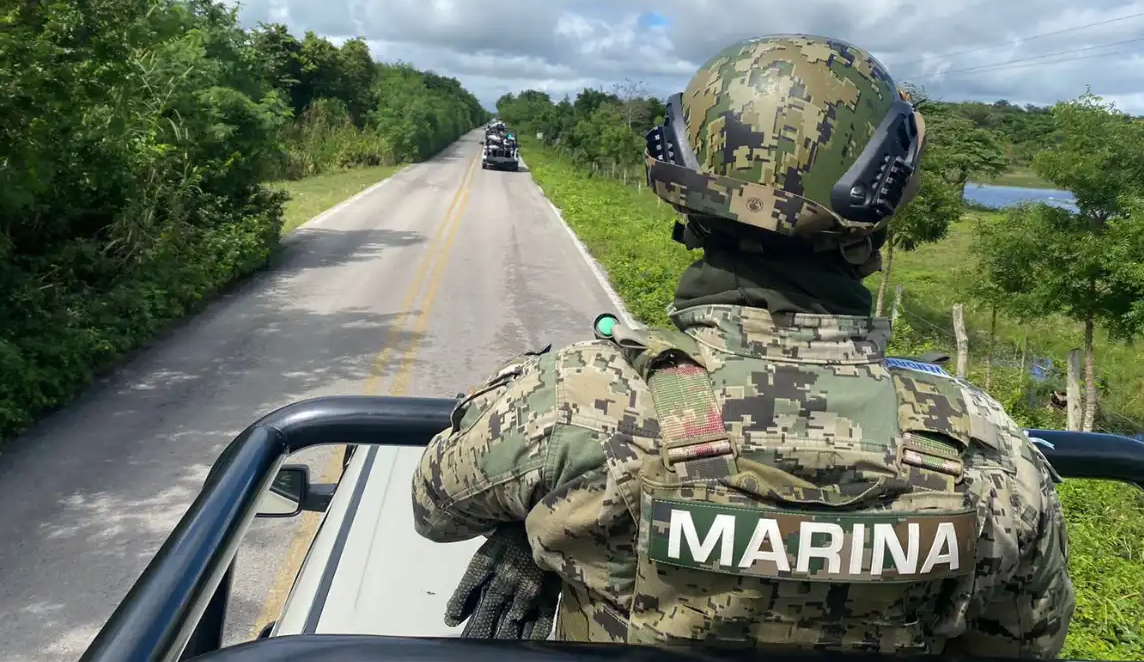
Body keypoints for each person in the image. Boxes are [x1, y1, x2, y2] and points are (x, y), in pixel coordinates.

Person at [411, 33, 1074, 656]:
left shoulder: (577, 404)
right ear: (878, 213)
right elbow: (1025, 641)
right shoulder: (989, 454)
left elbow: (434, 503)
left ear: (686, 196)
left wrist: (544, 531)